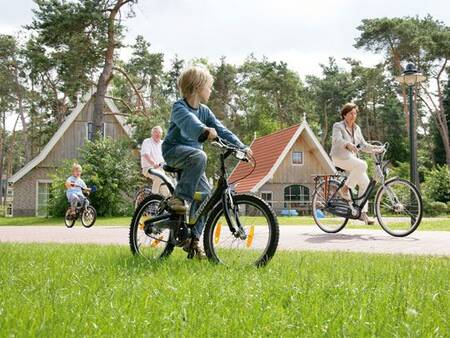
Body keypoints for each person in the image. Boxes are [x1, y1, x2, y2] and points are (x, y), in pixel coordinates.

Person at [162, 65, 250, 258]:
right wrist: (204, 131)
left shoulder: (205, 111)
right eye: (209, 86)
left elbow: (222, 129)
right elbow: (189, 124)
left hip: (194, 160)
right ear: (197, 87)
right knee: (200, 155)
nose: (211, 90)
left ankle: (193, 240)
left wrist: (242, 147)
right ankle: (179, 197)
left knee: (206, 198)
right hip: (174, 152)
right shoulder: (179, 107)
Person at [330, 103, 383, 225]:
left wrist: (376, 148)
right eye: (350, 113)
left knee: (365, 183)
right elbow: (337, 140)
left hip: (351, 159)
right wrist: (347, 144)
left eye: (355, 113)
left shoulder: (357, 129)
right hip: (339, 157)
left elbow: (363, 145)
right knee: (363, 164)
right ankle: (344, 189)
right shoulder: (338, 126)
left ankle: (362, 214)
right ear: (344, 115)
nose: (353, 116)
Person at [141, 126, 169, 195]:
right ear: (152, 133)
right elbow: (146, 154)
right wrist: (153, 163)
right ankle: (153, 197)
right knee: (159, 176)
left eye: (159, 133)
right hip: (148, 168)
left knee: (167, 188)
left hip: (161, 169)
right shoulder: (147, 141)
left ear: (162, 134)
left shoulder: (163, 143)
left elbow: (167, 155)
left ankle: (161, 202)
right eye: (156, 132)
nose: (158, 134)